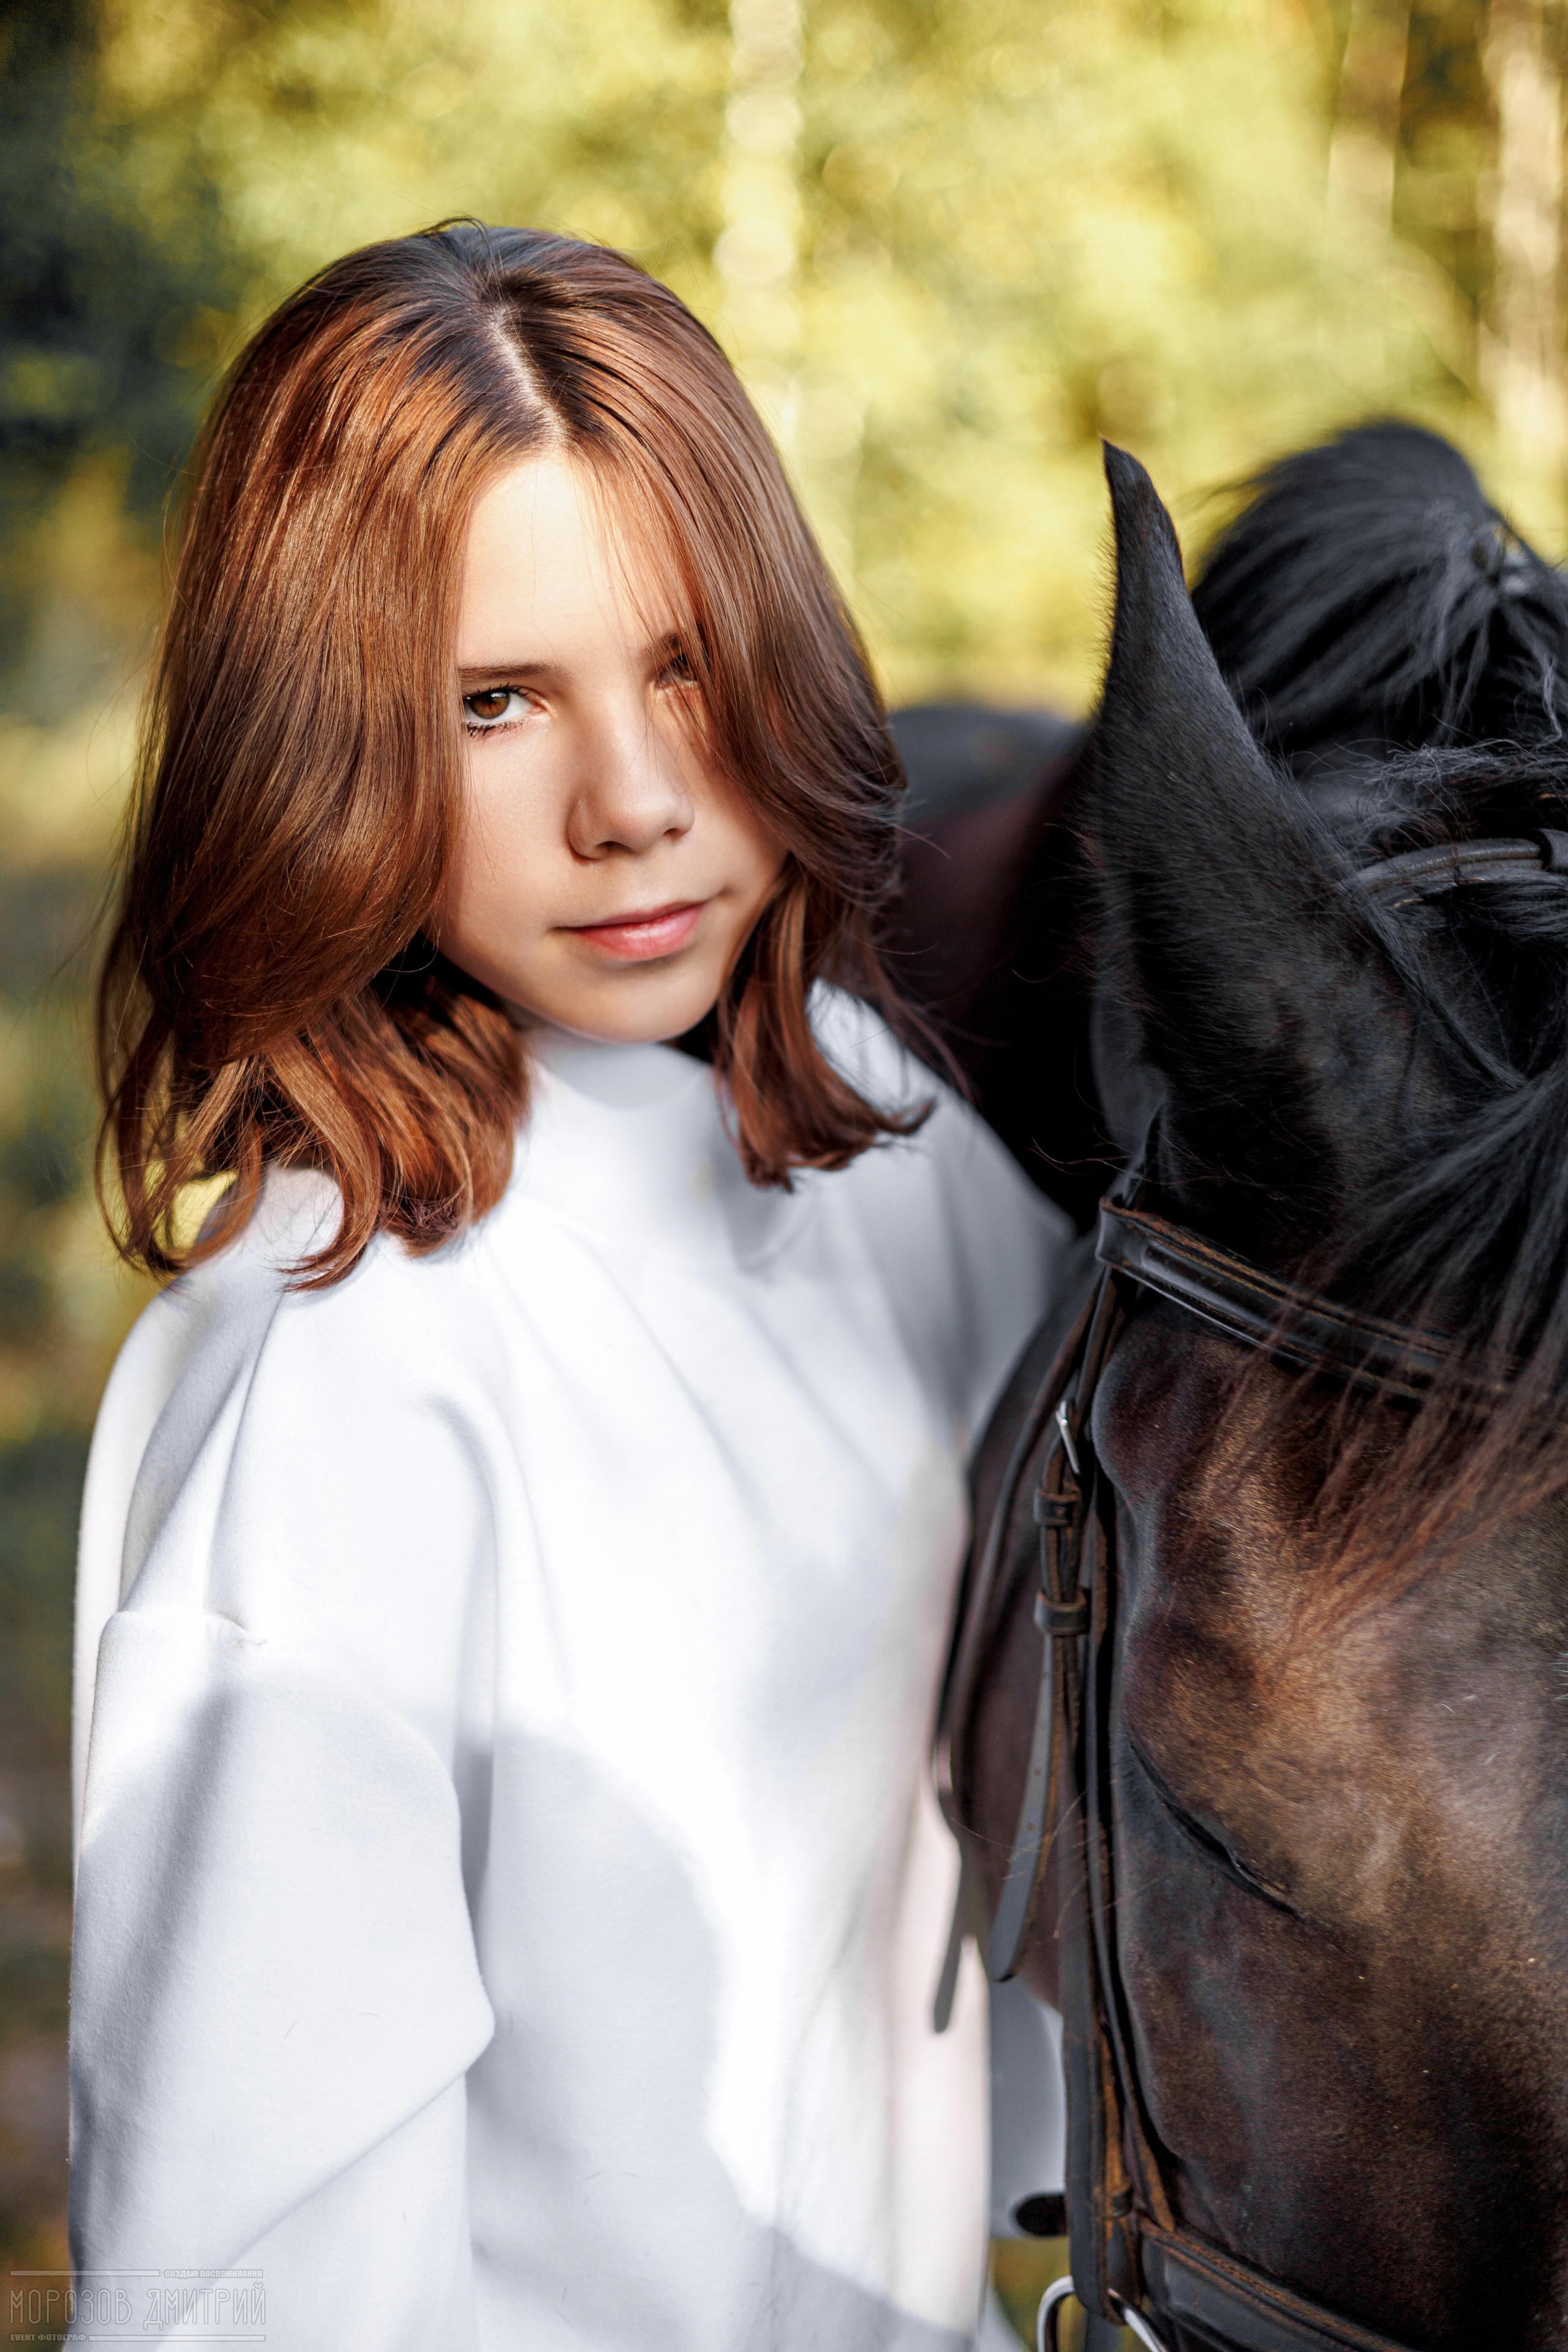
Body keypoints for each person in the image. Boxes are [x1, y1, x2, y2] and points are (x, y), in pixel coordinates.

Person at [68, 223, 1069, 2352]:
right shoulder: (340, 1363)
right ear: (326, 747)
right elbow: (248, 2265)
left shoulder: (877, 1146)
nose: (632, 805)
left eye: (686, 665)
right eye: (494, 704)